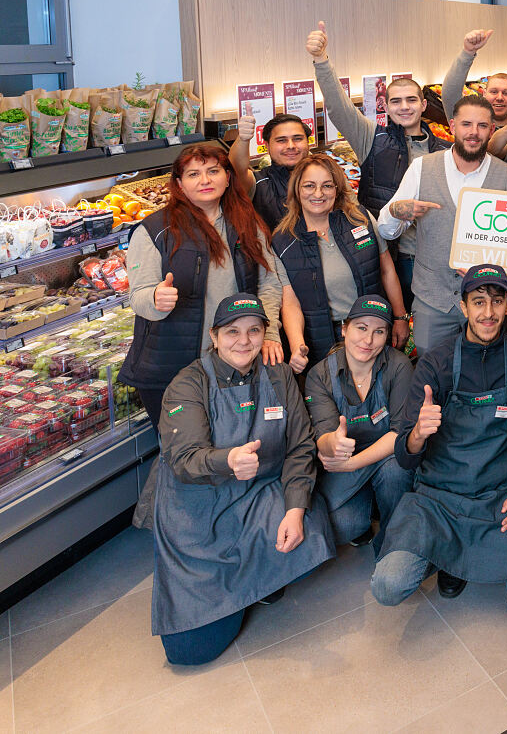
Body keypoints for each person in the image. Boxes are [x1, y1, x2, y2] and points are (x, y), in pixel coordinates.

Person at [370, 265, 507, 626]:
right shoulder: (436, 363)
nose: (487, 313)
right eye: (478, 302)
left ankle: (454, 555)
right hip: (438, 497)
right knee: (388, 585)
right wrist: (418, 435)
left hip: (500, 496)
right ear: (463, 308)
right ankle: (437, 553)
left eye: (496, 301)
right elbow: (405, 458)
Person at [151, 294, 335, 665]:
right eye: (232, 332)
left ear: (265, 335)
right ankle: (251, 580)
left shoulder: (279, 376)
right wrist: (228, 460)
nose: (244, 340)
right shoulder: (188, 384)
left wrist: (295, 509)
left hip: (257, 493)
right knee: (189, 652)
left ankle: (255, 579)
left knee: (312, 526)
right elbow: (184, 460)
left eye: (254, 331)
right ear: (215, 337)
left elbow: (300, 448)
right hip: (198, 508)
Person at [122, 143, 292, 529]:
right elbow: (138, 296)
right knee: (184, 453)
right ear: (179, 184)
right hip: (169, 366)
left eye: (213, 170)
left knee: (227, 448)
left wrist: (268, 332)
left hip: (232, 360)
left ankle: (231, 533)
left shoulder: (244, 220)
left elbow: (269, 282)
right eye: (194, 174)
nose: (205, 180)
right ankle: (184, 534)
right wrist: (156, 298)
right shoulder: (154, 230)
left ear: (227, 176)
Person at [306, 21, 450, 310]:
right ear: (386, 106)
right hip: (393, 255)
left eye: (412, 100)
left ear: (424, 105)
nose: (405, 106)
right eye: (396, 101)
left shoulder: (445, 149)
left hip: (437, 256)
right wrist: (321, 60)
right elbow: (338, 107)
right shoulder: (372, 137)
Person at [376, 94, 507, 356]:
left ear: (492, 130)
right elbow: (387, 230)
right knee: (431, 374)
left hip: (487, 303)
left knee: (484, 372)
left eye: (482, 126)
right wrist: (397, 210)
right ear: (453, 126)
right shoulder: (422, 168)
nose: (474, 133)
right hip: (432, 300)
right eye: (467, 124)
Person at [272, 153, 408, 374]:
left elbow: (386, 270)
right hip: (324, 339)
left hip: (371, 329)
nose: (318, 193)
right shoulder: (283, 241)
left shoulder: (360, 219)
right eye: (309, 186)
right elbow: (290, 301)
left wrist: (400, 317)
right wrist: (297, 345)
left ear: (337, 189)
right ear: (297, 190)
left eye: (327, 186)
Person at [305, 295, 414, 548]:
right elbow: (324, 436)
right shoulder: (320, 375)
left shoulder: (399, 366)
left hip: (385, 456)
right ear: (345, 328)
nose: (368, 340)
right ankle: (367, 506)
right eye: (361, 328)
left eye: (379, 331)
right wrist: (332, 444)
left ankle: (393, 537)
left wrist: (352, 463)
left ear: (388, 336)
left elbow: (399, 432)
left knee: (395, 469)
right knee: (345, 526)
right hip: (344, 464)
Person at [230, 113, 312, 231]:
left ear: (307, 142)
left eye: (298, 139)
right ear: (267, 146)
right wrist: (242, 139)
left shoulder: (326, 177)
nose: (290, 145)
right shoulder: (258, 183)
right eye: (281, 140)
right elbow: (236, 170)